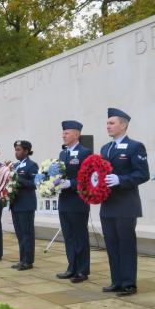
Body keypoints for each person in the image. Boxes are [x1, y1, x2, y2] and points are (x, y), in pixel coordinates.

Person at [100, 108, 150, 296]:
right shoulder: (106, 148)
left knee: (126, 244)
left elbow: (143, 174)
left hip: (126, 204)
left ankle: (129, 283)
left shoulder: (135, 146)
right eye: (107, 123)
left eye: (111, 123)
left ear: (123, 125)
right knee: (111, 243)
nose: (108, 126)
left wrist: (121, 180)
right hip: (108, 204)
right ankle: (116, 280)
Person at [55, 121, 93, 283]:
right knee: (69, 236)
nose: (64, 135)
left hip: (78, 201)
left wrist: (71, 183)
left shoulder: (85, 152)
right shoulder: (63, 154)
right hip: (64, 200)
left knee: (80, 236)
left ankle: (82, 271)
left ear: (77, 134)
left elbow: (89, 178)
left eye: (67, 133)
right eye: (63, 133)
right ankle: (72, 267)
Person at [10, 141, 39, 271]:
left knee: (27, 234)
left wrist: (16, 177)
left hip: (26, 204)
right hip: (15, 203)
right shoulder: (15, 165)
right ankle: (22, 259)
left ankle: (28, 261)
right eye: (15, 150)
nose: (16, 152)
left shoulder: (32, 165)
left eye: (19, 150)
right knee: (20, 233)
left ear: (26, 151)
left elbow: (33, 184)